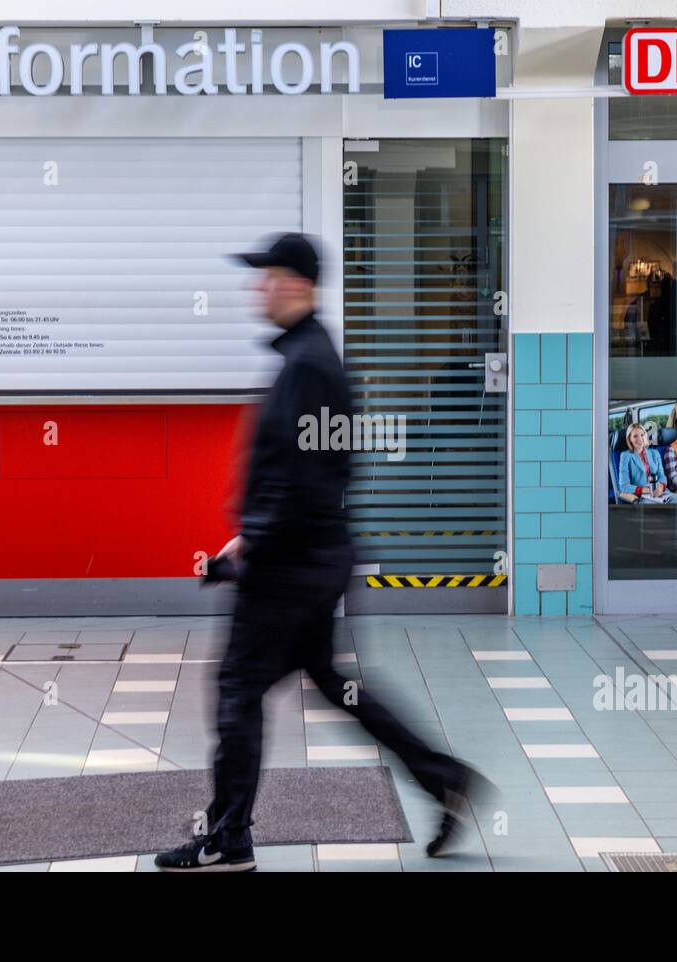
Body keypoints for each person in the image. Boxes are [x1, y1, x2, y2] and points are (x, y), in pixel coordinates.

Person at [155, 233, 488, 872]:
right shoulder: (311, 356)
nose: (260, 288)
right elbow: (310, 472)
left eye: (270, 276)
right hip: (311, 561)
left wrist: (246, 547)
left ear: (300, 284)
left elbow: (305, 478)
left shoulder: (308, 364)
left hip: (290, 569)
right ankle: (443, 778)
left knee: (237, 690)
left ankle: (230, 840)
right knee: (335, 685)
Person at [617, 423, 677, 504]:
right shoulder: (625, 456)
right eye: (635, 436)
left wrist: (661, 486)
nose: (640, 439)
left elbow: (662, 475)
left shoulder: (655, 453)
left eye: (642, 435)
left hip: (660, 492)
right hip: (642, 495)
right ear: (629, 439)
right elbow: (624, 486)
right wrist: (648, 490)